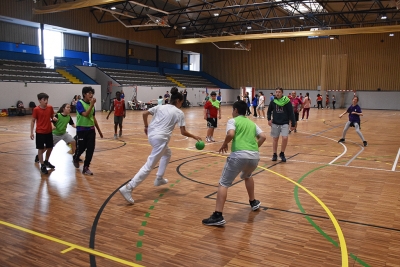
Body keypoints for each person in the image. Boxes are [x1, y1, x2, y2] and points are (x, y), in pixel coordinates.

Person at [119, 87, 202, 204]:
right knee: (149, 166)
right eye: (181, 102)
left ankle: (159, 178)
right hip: (161, 139)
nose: (181, 105)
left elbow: (144, 113)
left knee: (167, 153)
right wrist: (195, 137)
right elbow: (183, 132)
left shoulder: (160, 106)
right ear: (178, 101)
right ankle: (128, 188)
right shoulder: (179, 112)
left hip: (151, 136)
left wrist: (146, 126)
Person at [202, 101, 267, 226]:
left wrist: (225, 143)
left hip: (239, 155)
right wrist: (254, 148)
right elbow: (263, 136)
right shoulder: (252, 123)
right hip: (254, 157)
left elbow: (231, 134)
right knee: (247, 175)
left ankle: (218, 215)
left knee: (223, 183)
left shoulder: (233, 121)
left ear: (236, 110)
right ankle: (253, 202)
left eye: (232, 110)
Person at [73, 86, 104, 175]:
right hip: (81, 130)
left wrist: (99, 131)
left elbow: (93, 118)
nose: (91, 95)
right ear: (84, 94)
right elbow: (85, 114)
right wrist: (91, 105)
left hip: (91, 129)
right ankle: (76, 157)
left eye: (92, 93)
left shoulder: (92, 105)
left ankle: (86, 167)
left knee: (90, 149)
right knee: (81, 148)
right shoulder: (79, 103)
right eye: (89, 93)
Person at [30, 92, 57, 174]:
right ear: (39, 100)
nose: (46, 101)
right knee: (40, 148)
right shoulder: (36, 109)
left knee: (50, 147)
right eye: (44, 100)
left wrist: (54, 118)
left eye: (47, 99)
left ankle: (46, 161)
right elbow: (33, 121)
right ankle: (42, 164)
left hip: (48, 131)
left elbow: (52, 116)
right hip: (40, 132)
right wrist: (31, 132)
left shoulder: (50, 107)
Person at [267, 87, 295, 162]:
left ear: (282, 93)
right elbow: (269, 111)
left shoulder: (287, 101)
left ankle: (282, 153)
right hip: (275, 122)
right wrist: (269, 119)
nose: (277, 93)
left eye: (279, 92)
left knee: (285, 138)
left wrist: (293, 123)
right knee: (275, 139)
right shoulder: (273, 101)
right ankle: (274, 154)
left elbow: (291, 113)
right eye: (276, 92)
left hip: (284, 122)